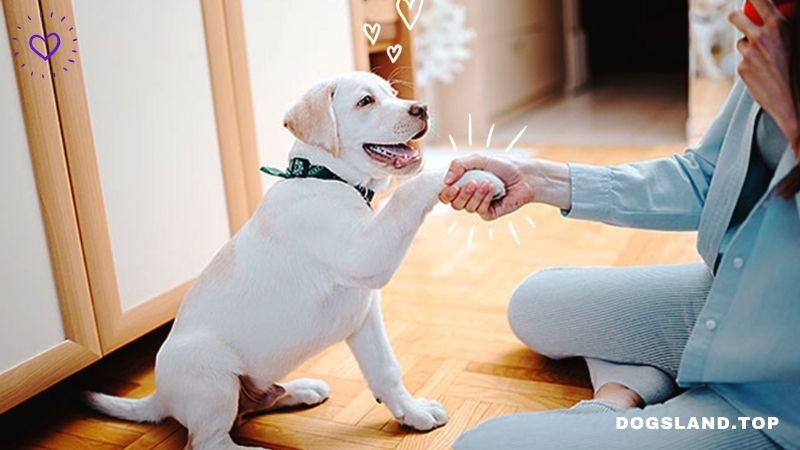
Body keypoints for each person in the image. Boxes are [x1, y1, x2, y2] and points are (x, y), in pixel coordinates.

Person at [441, 0, 800, 448]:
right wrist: (538, 180)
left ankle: (615, 404)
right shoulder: (777, 31)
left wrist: (790, 112)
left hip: (774, 402)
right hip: (738, 299)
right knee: (536, 304)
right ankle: (639, 386)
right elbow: (706, 176)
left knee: (480, 445)